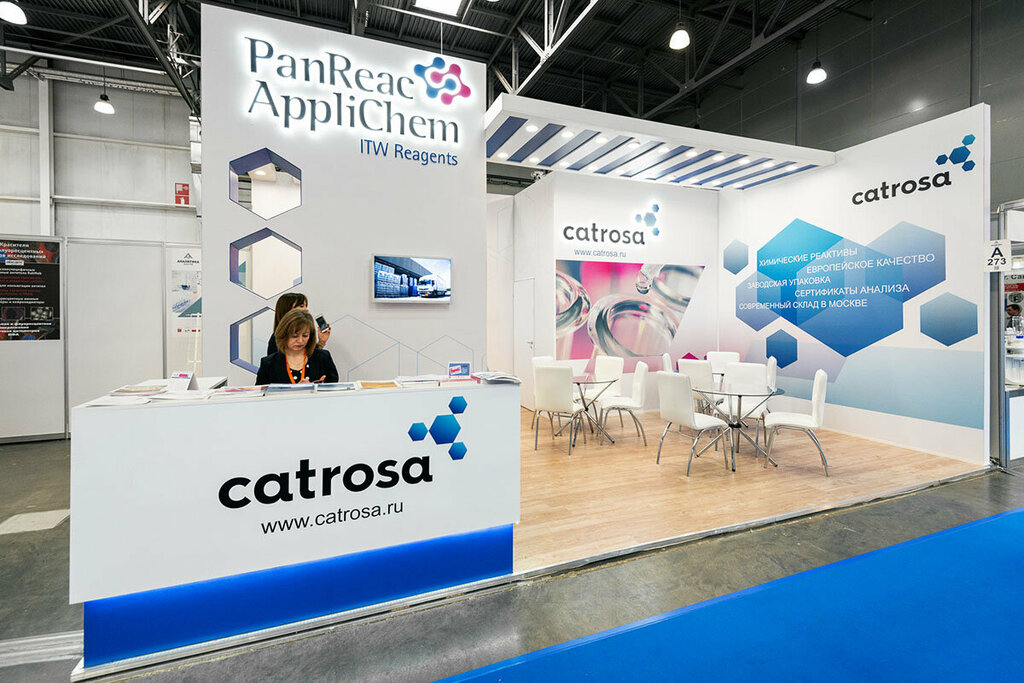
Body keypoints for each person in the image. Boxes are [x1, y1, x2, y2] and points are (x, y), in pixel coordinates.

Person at [256, 309, 339, 384]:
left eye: (305, 335)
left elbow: (334, 387)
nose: (300, 341)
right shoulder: (268, 363)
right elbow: (260, 393)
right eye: (294, 336)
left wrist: (322, 387)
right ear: (283, 335)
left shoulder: (323, 357)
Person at [266, 292, 331, 356]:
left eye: (305, 335)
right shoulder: (275, 339)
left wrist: (321, 342)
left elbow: (310, 357)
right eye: (301, 306)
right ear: (288, 310)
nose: (306, 309)